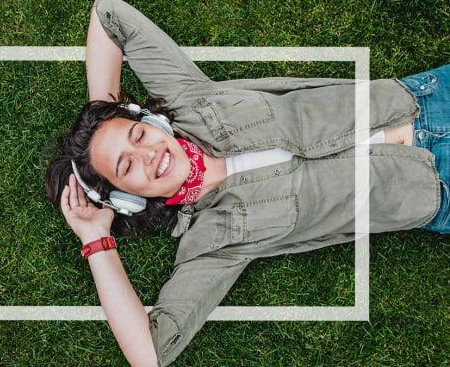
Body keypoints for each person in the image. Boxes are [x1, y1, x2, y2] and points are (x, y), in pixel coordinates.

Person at [44, 0, 449, 365]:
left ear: (151, 122)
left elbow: (109, 13)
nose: (147, 155)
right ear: (127, 200)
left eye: (138, 135)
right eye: (126, 167)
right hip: (438, 187)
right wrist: (96, 240)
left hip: (428, 98)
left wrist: (105, 114)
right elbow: (148, 356)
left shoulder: (186, 101)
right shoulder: (212, 243)